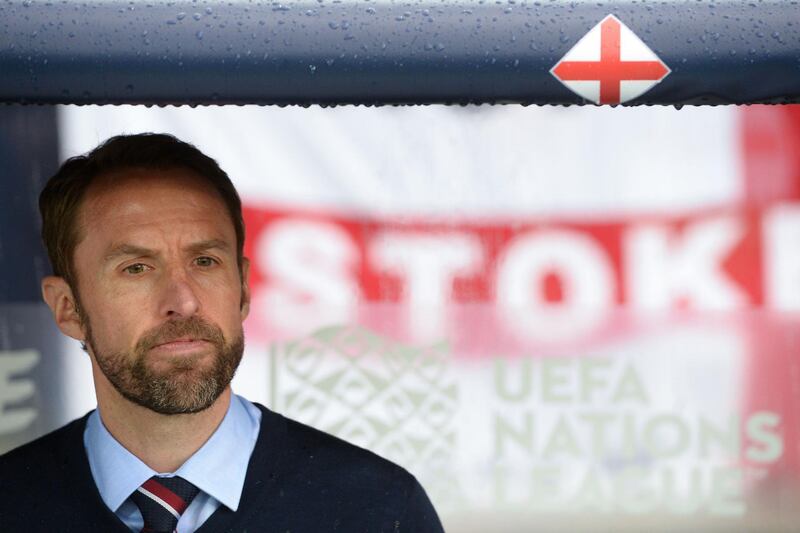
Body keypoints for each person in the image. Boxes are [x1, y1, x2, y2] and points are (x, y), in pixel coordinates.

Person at [0, 133, 444, 533]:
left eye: (205, 261)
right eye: (136, 268)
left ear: (244, 289)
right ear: (67, 307)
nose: (183, 300)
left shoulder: (377, 511)